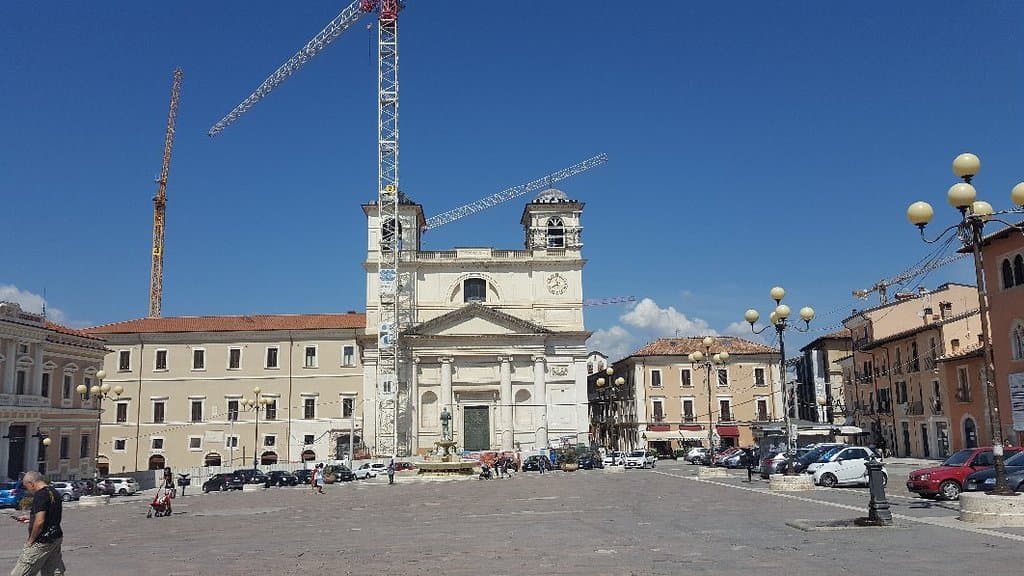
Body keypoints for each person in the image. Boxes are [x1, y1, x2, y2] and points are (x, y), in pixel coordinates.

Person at [11, 471, 65, 576]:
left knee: (19, 573)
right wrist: (30, 518)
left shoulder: (40, 495)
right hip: (56, 537)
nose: (28, 490)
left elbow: (40, 522)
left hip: (42, 541)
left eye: (26, 486)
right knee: (52, 572)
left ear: (31, 483)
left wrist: (30, 541)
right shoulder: (53, 491)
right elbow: (50, 515)